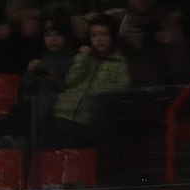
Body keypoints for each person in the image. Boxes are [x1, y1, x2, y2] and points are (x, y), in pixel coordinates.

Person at [45, 14, 129, 150]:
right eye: (94, 35)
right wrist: (82, 59)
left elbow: (123, 86)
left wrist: (98, 93)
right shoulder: (85, 57)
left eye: (104, 35)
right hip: (62, 113)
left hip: (89, 120)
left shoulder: (119, 62)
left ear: (113, 36)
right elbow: (70, 80)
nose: (99, 39)